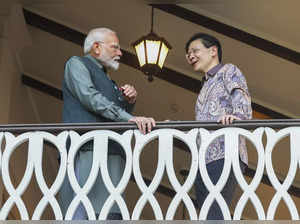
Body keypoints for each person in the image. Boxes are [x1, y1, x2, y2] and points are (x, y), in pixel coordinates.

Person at [59, 27, 155, 220]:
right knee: (82, 214)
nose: (120, 53)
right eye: (115, 47)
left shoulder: (110, 81)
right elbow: (91, 98)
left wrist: (128, 102)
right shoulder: (77, 64)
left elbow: (118, 117)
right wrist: (130, 118)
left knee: (111, 215)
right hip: (85, 151)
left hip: (111, 155)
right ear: (96, 47)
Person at [185, 33, 252, 219]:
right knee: (207, 214)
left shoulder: (228, 70)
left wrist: (236, 116)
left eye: (195, 50)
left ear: (213, 50)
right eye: (188, 53)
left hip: (225, 151)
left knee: (214, 214)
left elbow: (242, 98)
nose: (190, 56)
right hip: (203, 158)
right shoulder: (205, 85)